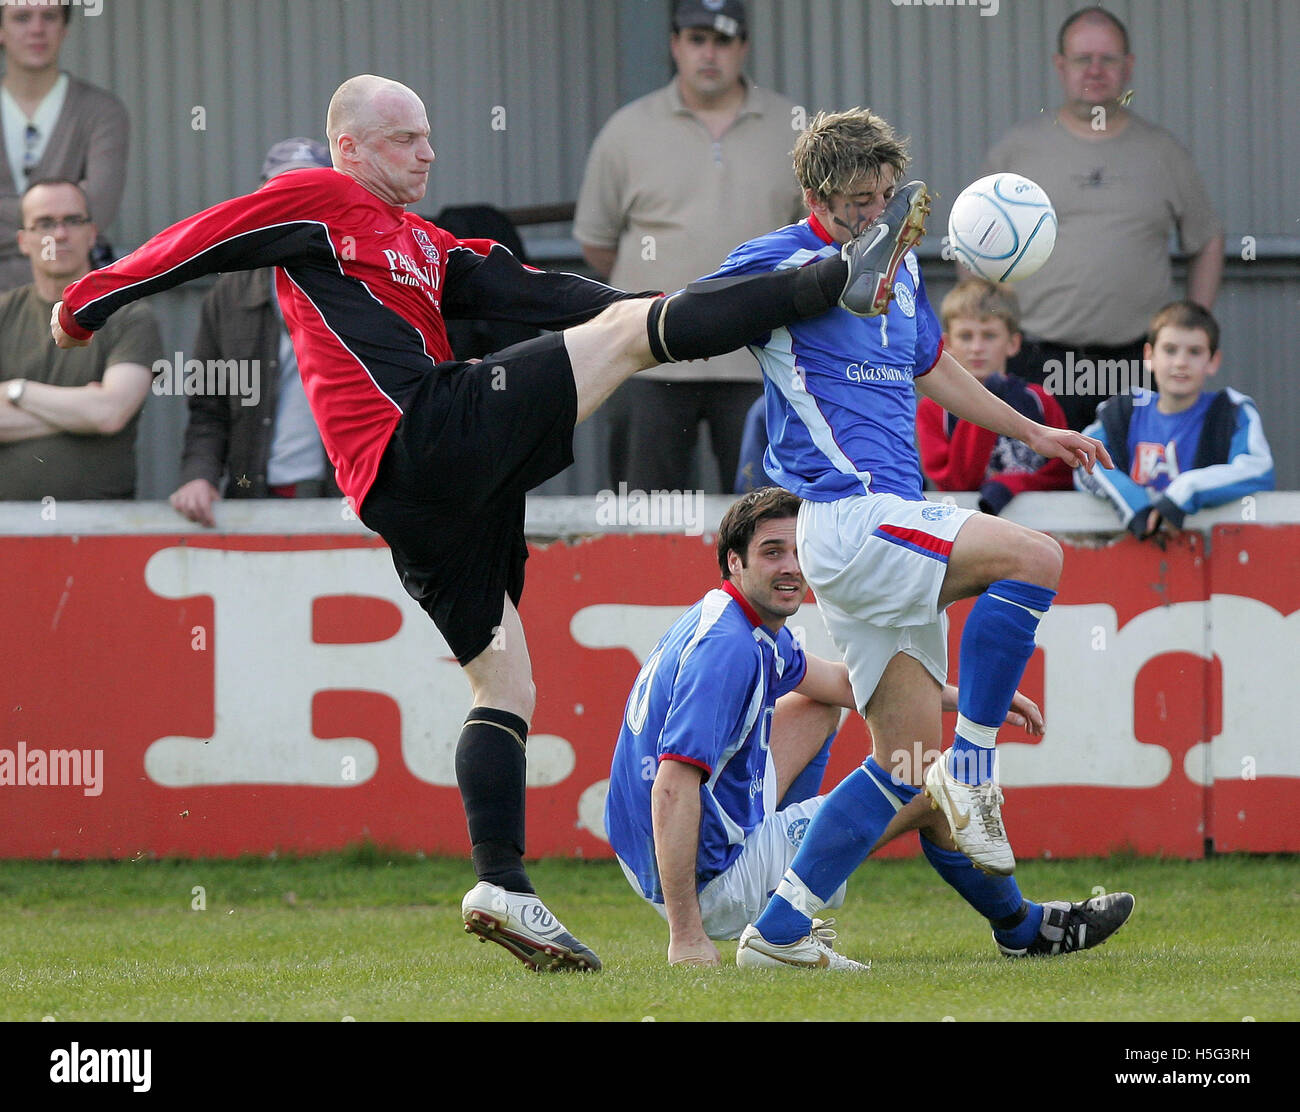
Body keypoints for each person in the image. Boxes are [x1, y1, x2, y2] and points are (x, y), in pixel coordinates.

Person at [51, 74, 936, 973]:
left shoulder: (427, 245)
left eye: (429, 135)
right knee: (637, 338)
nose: (427, 152)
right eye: (403, 138)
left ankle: (501, 882)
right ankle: (837, 278)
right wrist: (93, 296)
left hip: (420, 496)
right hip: (422, 432)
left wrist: (672, 309)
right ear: (348, 149)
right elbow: (209, 236)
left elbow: (552, 295)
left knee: (504, 685)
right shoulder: (319, 199)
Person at [690, 106, 1111, 969]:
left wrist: (1034, 434)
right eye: (855, 201)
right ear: (814, 194)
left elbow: (933, 368)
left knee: (907, 762)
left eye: (883, 197)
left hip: (887, 521)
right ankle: (980, 774)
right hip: (845, 515)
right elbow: (695, 310)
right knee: (1037, 556)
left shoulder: (903, 264)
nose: (873, 214)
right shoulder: (778, 259)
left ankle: (778, 934)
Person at [606, 488, 1132, 969]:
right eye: (772, 553)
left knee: (814, 708)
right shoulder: (728, 651)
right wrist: (686, 935)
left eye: (797, 551)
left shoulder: (733, 617)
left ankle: (791, 880)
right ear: (734, 561)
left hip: (648, 854)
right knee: (931, 791)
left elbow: (837, 683)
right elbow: (673, 785)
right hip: (700, 877)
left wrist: (973, 699)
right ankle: (1022, 930)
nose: (792, 568)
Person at [574, 0, 805, 493]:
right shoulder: (627, 131)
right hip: (645, 357)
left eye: (723, 40)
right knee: (643, 520)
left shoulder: (793, 128)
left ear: (743, 47)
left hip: (759, 360)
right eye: (697, 39)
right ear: (676, 45)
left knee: (766, 516)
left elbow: (813, 241)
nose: (709, 54)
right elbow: (598, 245)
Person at [978, 6, 1224, 432]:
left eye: (1108, 59)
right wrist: (994, 327)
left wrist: (1188, 331)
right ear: (1061, 65)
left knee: (1136, 483)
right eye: (1082, 59)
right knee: (1036, 489)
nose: (1095, 70)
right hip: (1036, 363)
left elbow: (1208, 240)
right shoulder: (1017, 152)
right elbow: (975, 246)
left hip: (1138, 365)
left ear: (1128, 67)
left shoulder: (1162, 152)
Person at [169, 138, 339, 527]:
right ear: (262, 207)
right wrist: (199, 475)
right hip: (254, 501)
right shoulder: (228, 295)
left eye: (311, 194)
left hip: (351, 504)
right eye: (283, 195)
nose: (296, 208)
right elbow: (208, 408)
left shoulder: (367, 284)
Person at [0, 178, 160, 500]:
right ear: (23, 240)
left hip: (101, 530)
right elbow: (97, 414)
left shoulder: (129, 316)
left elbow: (110, 414)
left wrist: (18, 391)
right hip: (8, 530)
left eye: (73, 221)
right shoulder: (4, 314)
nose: (60, 234)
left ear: (92, 233)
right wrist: (80, 413)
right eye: (45, 223)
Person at [1076, 300, 1274, 543]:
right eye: (1170, 350)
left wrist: (1185, 492)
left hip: (1213, 555)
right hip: (1128, 553)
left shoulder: (1232, 411)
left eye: (1195, 352)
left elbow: (1259, 469)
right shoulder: (1124, 410)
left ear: (1213, 361)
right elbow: (1084, 459)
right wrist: (1132, 502)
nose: (1181, 362)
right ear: (1149, 356)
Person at [0, 1, 128, 291]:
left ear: (65, 27)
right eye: (22, 18)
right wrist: (68, 208)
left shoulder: (102, 111)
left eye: (49, 16)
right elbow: (83, 209)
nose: (37, 29)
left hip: (76, 300)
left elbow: (100, 207)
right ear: (1, 29)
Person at [917, 279, 1073, 514]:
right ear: (947, 344)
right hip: (965, 527)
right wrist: (988, 398)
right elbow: (956, 484)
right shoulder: (933, 408)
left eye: (989, 336)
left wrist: (1009, 486)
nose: (977, 347)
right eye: (966, 336)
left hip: (1040, 526)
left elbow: (1063, 474)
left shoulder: (1040, 400)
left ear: (1012, 343)